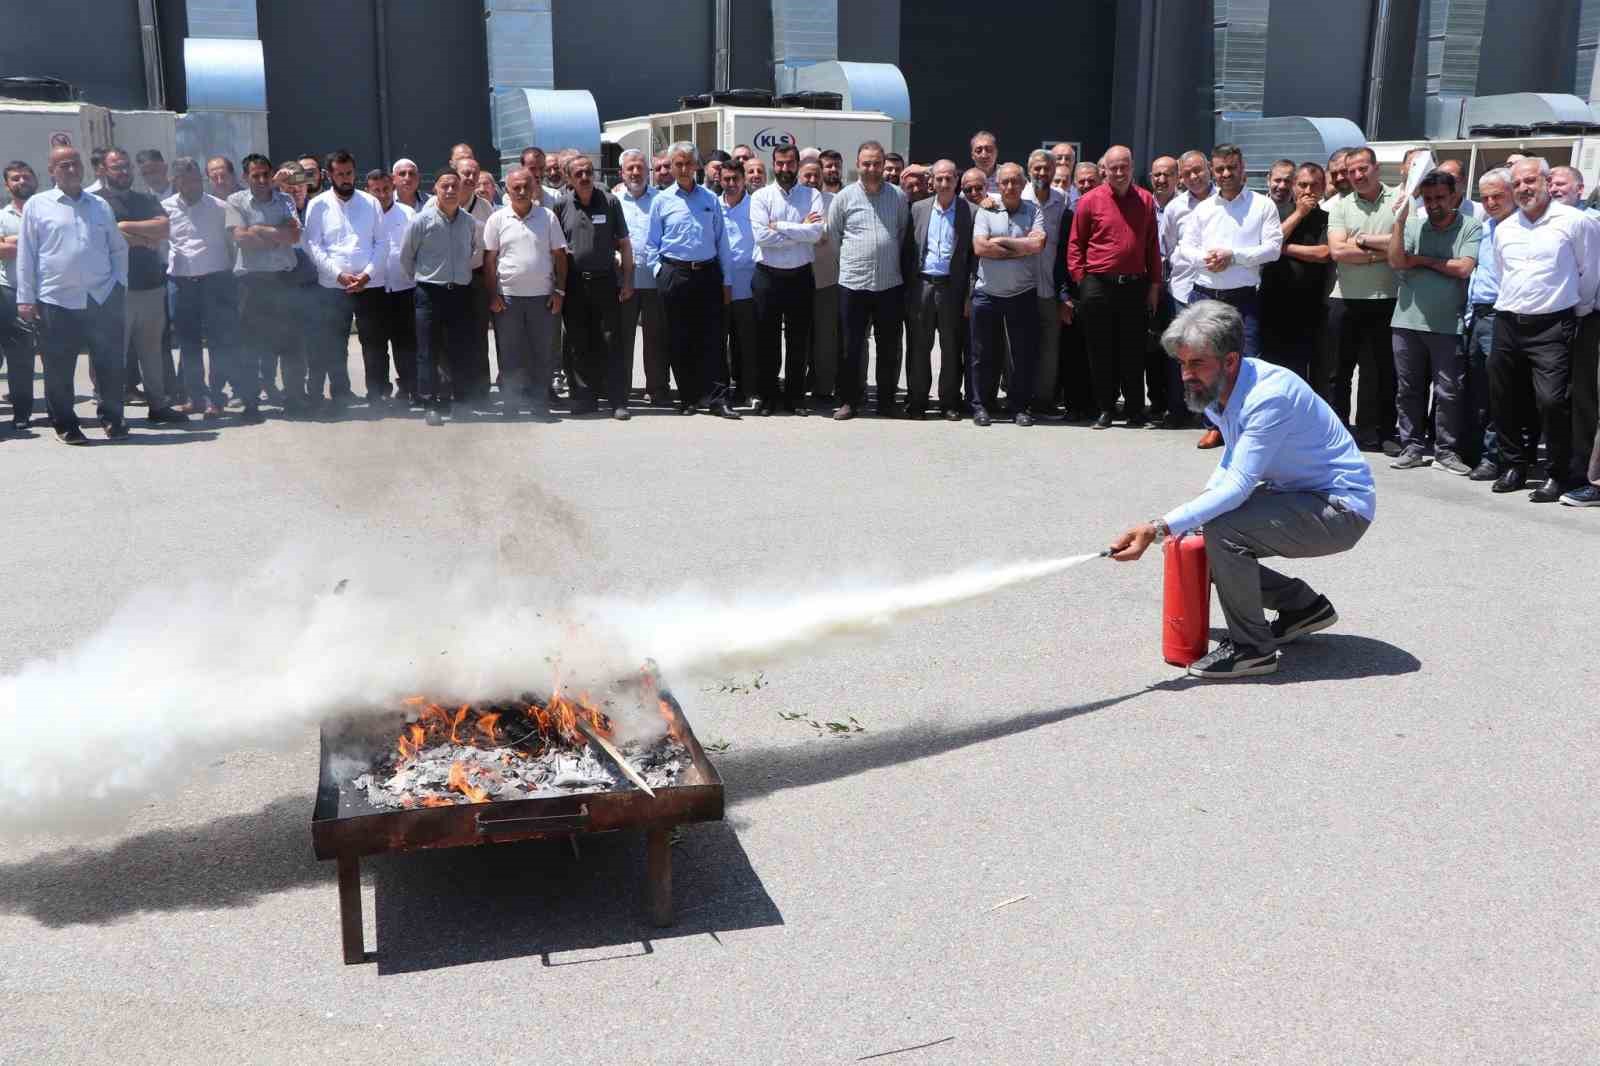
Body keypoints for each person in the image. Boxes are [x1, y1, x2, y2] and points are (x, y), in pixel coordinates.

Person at [1109, 300, 1375, 679]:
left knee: (1222, 530)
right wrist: (1186, 519)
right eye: (1182, 364)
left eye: (1196, 363)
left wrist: (1159, 526)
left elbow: (1237, 485)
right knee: (1203, 531)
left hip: (1342, 509)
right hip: (1299, 494)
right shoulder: (1222, 391)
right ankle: (1302, 608)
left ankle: (1253, 649)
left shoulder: (1268, 397)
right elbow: (1233, 465)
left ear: (1230, 360)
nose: (1186, 374)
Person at [1488, 157, 1597, 500]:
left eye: (1530, 180)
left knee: (1552, 402)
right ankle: (1514, 467)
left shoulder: (1576, 222)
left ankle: (1556, 472)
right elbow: (1503, 273)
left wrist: (1574, 312)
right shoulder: (1505, 228)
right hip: (1507, 321)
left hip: (1553, 325)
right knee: (1505, 399)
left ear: (1548, 182)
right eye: (1517, 183)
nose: (1523, 188)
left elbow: (1589, 272)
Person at [16, 145, 130, 443]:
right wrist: (25, 298)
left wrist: (119, 284)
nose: (71, 169)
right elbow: (26, 255)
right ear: (51, 171)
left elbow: (118, 249)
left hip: (101, 297)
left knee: (109, 364)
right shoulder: (38, 206)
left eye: (75, 163)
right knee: (59, 368)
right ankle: (66, 424)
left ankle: (113, 419)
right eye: (63, 165)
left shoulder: (99, 205)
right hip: (57, 300)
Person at [1386, 169, 1481, 473]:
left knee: (1448, 392)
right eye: (1427, 198)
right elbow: (1398, 260)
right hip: (1406, 322)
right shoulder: (1413, 226)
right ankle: (1411, 446)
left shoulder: (1470, 226)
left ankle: (1446, 452)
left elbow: (1464, 267)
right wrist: (1399, 221)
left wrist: (1423, 260)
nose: (1434, 204)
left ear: (1455, 196)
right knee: (1408, 389)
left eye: (1440, 197)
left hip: (1448, 325)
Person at [1068, 145, 1162, 429]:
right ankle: (1105, 409)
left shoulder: (1145, 200)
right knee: (1100, 350)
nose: (1119, 173)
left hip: (1134, 286)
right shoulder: (1090, 201)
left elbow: (1152, 246)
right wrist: (1081, 281)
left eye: (1125, 167)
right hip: (1098, 285)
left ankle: (1134, 410)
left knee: (1133, 350)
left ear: (1132, 168)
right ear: (1104, 170)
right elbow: (1076, 244)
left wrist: (1155, 284)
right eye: (1114, 168)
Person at [644, 141, 736, 417]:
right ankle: (689, 397)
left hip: (707, 274)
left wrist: (727, 280)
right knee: (679, 338)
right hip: (675, 274)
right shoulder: (661, 201)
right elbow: (652, 244)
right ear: (671, 167)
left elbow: (722, 242)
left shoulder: (710, 199)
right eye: (678, 164)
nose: (683, 169)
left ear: (697, 166)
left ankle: (719, 398)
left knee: (714, 338)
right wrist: (659, 272)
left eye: (688, 163)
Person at [1327, 146, 1402, 455]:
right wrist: (1383, 253)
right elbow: (1338, 252)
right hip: (1345, 301)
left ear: (1375, 168)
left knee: (1383, 372)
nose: (1357, 176)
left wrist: (1362, 241)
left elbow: (1405, 242)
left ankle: (1382, 433)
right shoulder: (1340, 207)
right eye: (1351, 171)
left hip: (1386, 300)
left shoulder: (1398, 201)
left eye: (1362, 169)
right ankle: (1337, 433)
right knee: (1338, 374)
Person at [826, 139, 910, 420]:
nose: (872, 168)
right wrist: (855, 262)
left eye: (877, 163)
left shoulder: (898, 196)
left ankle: (886, 402)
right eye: (866, 163)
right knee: (851, 345)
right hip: (853, 283)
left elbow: (900, 234)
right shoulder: (844, 198)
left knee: (889, 346)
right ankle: (850, 400)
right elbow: (835, 239)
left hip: (889, 284)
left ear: (884, 164)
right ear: (857, 165)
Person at [1176, 144, 1281, 362]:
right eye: (1220, 169)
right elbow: (1185, 247)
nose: (1226, 174)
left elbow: (1273, 249)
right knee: (1202, 364)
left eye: (1232, 167)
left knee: (1246, 364)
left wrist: (1232, 257)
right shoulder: (1203, 208)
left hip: (1243, 301)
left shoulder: (1263, 206)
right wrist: (1208, 260)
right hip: (1204, 298)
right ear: (1212, 171)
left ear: (1243, 168)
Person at [98, 148, 182, 422]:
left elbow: (164, 228)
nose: (122, 172)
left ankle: (158, 406)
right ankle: (111, 411)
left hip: (151, 286)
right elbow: (106, 238)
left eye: (126, 167)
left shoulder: (146, 199)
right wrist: (143, 237)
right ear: (104, 171)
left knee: (152, 353)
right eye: (116, 168)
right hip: (115, 291)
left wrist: (124, 226)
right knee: (113, 355)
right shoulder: (96, 203)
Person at [164, 156, 246, 419]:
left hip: (215, 282)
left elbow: (234, 245)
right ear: (175, 181)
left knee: (218, 343)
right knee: (188, 344)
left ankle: (216, 398)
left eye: (195, 178)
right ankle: (194, 396)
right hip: (181, 283)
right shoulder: (163, 208)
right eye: (185, 180)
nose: (192, 184)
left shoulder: (220, 207)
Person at [484, 167, 566, 421]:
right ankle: (511, 404)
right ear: (507, 190)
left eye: (525, 187)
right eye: (515, 187)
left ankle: (539, 404)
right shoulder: (497, 219)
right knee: (510, 354)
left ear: (534, 188)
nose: (521, 192)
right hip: (507, 298)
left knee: (541, 354)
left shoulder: (548, 217)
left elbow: (560, 256)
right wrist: (492, 295)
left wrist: (559, 291)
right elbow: (489, 260)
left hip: (542, 297)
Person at [554, 153, 633, 417]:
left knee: (611, 341)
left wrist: (628, 280)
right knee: (577, 342)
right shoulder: (562, 205)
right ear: (569, 178)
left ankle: (617, 401)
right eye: (579, 174)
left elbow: (624, 243)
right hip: (575, 284)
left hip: (605, 282)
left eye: (588, 172)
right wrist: (559, 287)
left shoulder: (610, 202)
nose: (585, 178)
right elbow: (556, 250)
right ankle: (583, 398)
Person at [301, 149, 381, 409]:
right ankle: (341, 392)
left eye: (349, 173)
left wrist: (367, 274)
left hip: (368, 285)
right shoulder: (318, 204)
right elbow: (313, 245)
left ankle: (377, 393)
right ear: (329, 175)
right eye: (340, 174)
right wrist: (338, 274)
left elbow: (382, 243)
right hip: (332, 286)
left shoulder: (370, 203)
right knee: (336, 343)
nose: (346, 178)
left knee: (373, 343)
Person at [968, 162, 1047, 426]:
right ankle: (981, 405)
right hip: (987, 293)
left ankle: (1019, 406)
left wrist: (1001, 242)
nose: (1011, 187)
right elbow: (980, 247)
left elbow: (1038, 245)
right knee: (982, 353)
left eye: (1016, 181)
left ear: (1024, 184)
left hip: (1022, 293)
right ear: (998, 185)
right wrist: (1021, 247)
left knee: (1022, 354)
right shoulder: (986, 209)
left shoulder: (1034, 211)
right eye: (1005, 182)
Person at [400, 168, 479, 425]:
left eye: (454, 186)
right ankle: (430, 403)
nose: (450, 191)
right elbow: (406, 257)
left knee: (461, 349)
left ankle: (460, 400)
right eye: (444, 186)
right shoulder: (421, 221)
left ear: (462, 189)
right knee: (428, 351)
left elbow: (472, 251)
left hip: (459, 293)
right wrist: (424, 278)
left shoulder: (469, 222)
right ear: (435, 189)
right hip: (429, 293)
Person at [750, 143, 823, 415]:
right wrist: (799, 229)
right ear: (773, 163)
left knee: (798, 340)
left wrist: (779, 226)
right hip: (767, 276)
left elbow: (815, 233)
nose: (784, 169)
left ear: (797, 164)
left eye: (789, 163)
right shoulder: (761, 197)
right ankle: (768, 397)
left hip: (800, 277)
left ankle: (795, 398)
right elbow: (761, 238)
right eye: (779, 163)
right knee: (766, 340)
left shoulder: (812, 195)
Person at [230, 152, 305, 416]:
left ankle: (295, 399)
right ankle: (251, 403)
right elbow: (242, 239)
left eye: (265, 174)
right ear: (245, 177)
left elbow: (295, 236)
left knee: (291, 344)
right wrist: (277, 234)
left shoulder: (285, 199)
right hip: (252, 282)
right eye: (255, 175)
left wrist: (259, 230)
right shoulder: (235, 201)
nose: (262, 180)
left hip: (284, 280)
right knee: (250, 345)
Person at [902, 159, 973, 420]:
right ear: (931, 181)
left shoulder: (970, 211)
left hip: (952, 287)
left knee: (951, 347)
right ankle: (918, 401)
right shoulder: (918, 209)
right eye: (939, 179)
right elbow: (908, 250)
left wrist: (969, 293)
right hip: (922, 285)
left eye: (949, 179)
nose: (944, 184)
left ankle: (949, 402)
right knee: (919, 347)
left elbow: (974, 258)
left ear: (957, 181)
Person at [1462, 169, 1515, 481]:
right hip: (1478, 315)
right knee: (1477, 389)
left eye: (1498, 195)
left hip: (1501, 315)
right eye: (1486, 197)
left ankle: (1494, 457)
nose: (1492, 202)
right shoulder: (1484, 229)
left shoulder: (1522, 229)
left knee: (1499, 392)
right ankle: (1477, 451)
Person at [1259, 162, 1332, 384]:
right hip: (1273, 304)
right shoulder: (1275, 211)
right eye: (1302, 185)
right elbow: (1268, 243)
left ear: (1323, 187)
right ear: (1293, 186)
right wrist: (1299, 214)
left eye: (1314, 185)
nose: (1308, 191)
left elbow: (1323, 253)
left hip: (1311, 307)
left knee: (1309, 371)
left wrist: (1283, 250)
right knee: (1273, 369)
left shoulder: (1327, 218)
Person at [1157, 150, 1213, 430]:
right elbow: (1168, 247)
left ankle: (1211, 415)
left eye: (1198, 171)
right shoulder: (1175, 208)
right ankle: (1179, 408)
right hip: (1181, 289)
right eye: (1187, 173)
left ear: (1209, 169)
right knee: (1180, 353)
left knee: (1211, 353)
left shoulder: (1223, 202)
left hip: (1214, 289)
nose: (1193, 177)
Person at [616, 150, 668, 406]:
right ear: (621, 173)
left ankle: (657, 388)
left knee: (656, 339)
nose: (635, 173)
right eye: (630, 169)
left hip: (655, 280)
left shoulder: (661, 199)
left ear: (648, 171)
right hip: (624, 282)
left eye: (640, 168)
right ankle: (621, 389)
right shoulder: (613, 201)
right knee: (623, 338)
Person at [1021, 149, 1071, 416]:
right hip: (1022, 286)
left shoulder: (1061, 199)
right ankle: (1019, 398)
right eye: (1037, 168)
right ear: (1028, 169)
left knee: (1049, 347)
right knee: (1020, 345)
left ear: (1054, 171)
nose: (1042, 173)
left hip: (1050, 286)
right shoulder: (1019, 197)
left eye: (1046, 169)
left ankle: (1043, 400)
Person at [365, 167, 418, 405]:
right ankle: (377, 392)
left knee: (405, 343)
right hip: (373, 289)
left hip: (403, 288)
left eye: (386, 189)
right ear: (368, 190)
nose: (382, 194)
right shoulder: (363, 215)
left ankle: (408, 388)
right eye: (376, 190)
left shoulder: (408, 213)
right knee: (374, 346)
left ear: (393, 187)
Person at [455, 155, 497, 407]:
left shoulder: (485, 208)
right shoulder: (437, 204)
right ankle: (453, 389)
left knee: (478, 336)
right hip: (447, 281)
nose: (470, 178)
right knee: (449, 337)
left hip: (477, 278)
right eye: (465, 173)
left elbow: (492, 250)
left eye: (474, 173)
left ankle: (480, 392)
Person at [800, 160, 842, 404]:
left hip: (827, 279)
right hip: (796, 276)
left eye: (817, 175)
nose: (813, 180)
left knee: (826, 337)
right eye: (807, 175)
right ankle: (798, 382)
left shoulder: (833, 202)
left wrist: (808, 232)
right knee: (799, 336)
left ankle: (824, 387)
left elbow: (827, 237)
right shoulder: (793, 201)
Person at [717, 162, 757, 414]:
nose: (731, 184)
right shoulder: (712, 204)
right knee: (719, 344)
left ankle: (749, 390)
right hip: (719, 287)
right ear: (719, 179)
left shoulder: (756, 205)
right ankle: (722, 393)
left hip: (748, 287)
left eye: (735, 179)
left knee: (747, 343)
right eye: (726, 179)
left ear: (743, 180)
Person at [0, 161, 37, 430]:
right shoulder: (2, 216)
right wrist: (30, 241)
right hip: (10, 290)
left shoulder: (46, 209)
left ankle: (61, 408)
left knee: (56, 353)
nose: (21, 181)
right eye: (15, 178)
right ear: (7, 185)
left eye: (26, 176)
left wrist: (12, 241)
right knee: (19, 355)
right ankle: (21, 413)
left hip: (48, 293)